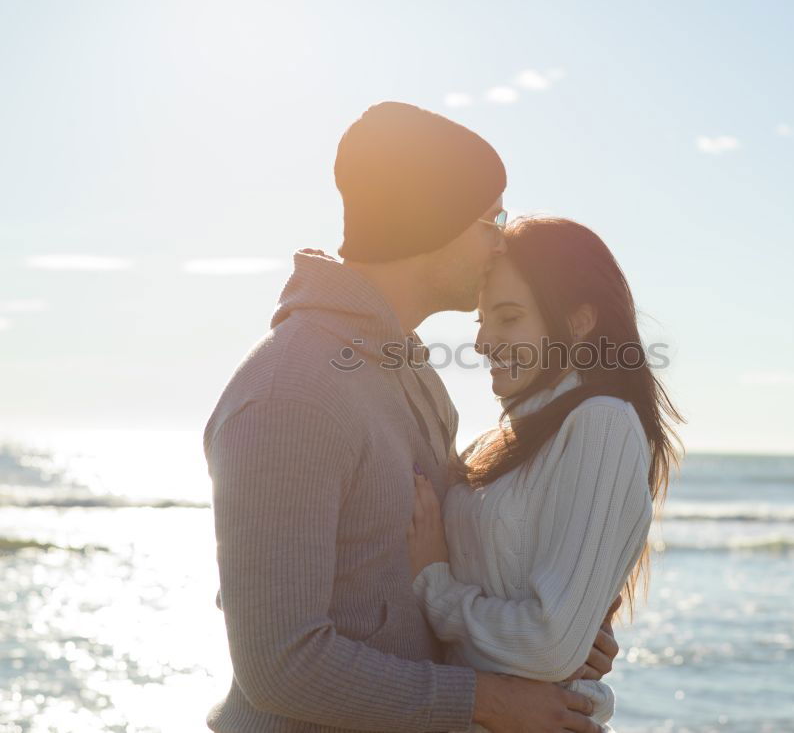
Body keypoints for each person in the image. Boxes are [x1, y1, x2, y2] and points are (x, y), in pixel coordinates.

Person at [203, 102, 620, 733]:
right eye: (491, 219)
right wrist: (490, 700)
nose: (501, 240)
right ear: (435, 222)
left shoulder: (409, 370)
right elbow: (280, 664)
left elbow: (437, 566)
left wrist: (549, 635)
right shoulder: (292, 391)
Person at [407, 216, 685, 732]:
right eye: (481, 321)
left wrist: (435, 587)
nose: (484, 342)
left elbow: (550, 644)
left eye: (509, 318)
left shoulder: (601, 423)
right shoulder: (499, 442)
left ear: (577, 324)